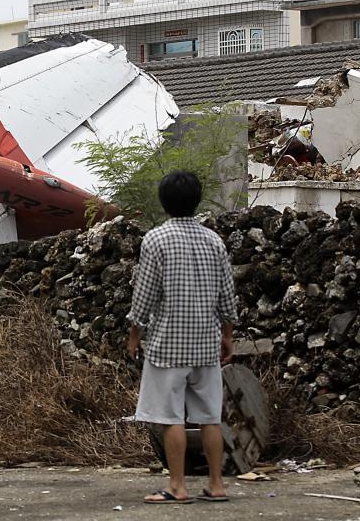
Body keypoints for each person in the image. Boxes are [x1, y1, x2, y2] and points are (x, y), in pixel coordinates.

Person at [127, 170, 238, 505]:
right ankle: (216, 485)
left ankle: (178, 487)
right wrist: (227, 335)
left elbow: (144, 295)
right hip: (205, 344)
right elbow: (228, 297)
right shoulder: (214, 241)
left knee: (170, 417)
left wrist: (134, 334)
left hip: (167, 345)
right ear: (196, 200)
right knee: (209, 417)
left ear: (164, 202)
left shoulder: (156, 240)